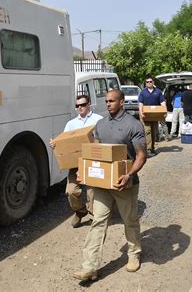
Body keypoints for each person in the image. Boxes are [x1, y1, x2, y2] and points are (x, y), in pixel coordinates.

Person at [73, 89, 147, 281]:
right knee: (98, 221)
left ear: (121, 102)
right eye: (106, 101)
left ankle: (134, 254)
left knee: (129, 220)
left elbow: (141, 155)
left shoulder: (133, 125)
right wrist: (85, 172)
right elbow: (95, 154)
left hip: (125, 183)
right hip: (103, 185)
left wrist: (130, 175)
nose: (108, 104)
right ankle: (90, 266)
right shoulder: (101, 124)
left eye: (112, 101)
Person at [49, 95, 103, 228]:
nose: (80, 107)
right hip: (76, 163)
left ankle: (92, 215)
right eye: (77, 105)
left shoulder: (99, 120)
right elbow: (64, 141)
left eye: (83, 104)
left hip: (92, 162)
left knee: (92, 192)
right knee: (71, 191)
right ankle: (80, 211)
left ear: (89, 104)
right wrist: (55, 144)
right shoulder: (71, 123)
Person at [138, 76, 166, 157]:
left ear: (153, 82)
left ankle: (152, 147)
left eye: (150, 81)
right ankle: (148, 149)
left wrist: (164, 111)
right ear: (145, 83)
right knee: (147, 131)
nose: (149, 83)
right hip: (145, 114)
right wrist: (141, 113)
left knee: (154, 131)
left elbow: (162, 102)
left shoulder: (158, 92)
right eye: (147, 82)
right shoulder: (143, 92)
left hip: (154, 115)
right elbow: (140, 104)